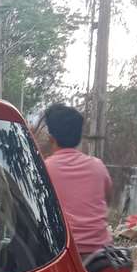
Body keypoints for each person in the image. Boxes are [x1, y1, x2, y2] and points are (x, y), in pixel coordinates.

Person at [41, 103, 113, 256]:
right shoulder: (98, 166)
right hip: (102, 252)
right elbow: (108, 200)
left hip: (63, 254)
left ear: (50, 138)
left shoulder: (44, 169)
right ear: (79, 137)